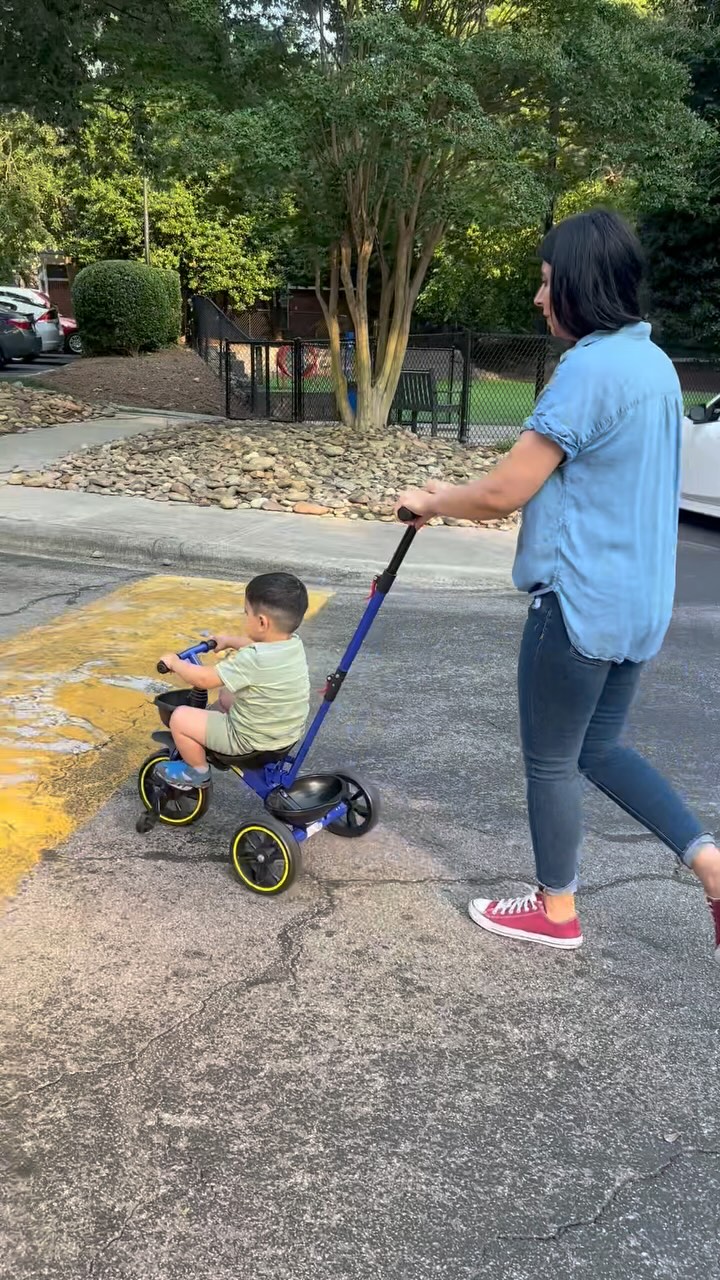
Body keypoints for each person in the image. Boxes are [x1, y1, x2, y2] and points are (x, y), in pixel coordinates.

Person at [396, 209, 720, 958]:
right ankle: (709, 861)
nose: (539, 300)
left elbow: (506, 489)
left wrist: (432, 499)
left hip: (577, 604)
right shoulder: (655, 365)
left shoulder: (590, 368)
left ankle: (556, 910)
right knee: (599, 750)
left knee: (551, 761)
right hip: (640, 606)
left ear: (580, 286)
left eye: (547, 285)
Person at [156, 572, 310, 789]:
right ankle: (209, 734)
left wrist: (175, 663)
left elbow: (203, 679)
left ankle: (197, 772)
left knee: (180, 718)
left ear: (262, 622)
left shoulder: (253, 659)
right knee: (227, 695)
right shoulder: (292, 644)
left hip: (250, 741)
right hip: (285, 734)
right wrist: (229, 641)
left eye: (246, 613)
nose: (244, 617)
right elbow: (254, 645)